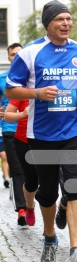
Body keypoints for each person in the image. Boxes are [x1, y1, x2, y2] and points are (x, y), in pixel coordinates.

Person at [5, 0, 77, 262]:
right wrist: (37, 94)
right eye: (60, 19)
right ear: (48, 23)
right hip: (41, 133)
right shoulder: (31, 53)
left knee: (76, 188)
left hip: (75, 131)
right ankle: (49, 239)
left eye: (69, 19)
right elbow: (11, 91)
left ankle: (75, 250)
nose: (66, 23)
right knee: (47, 193)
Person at [0, 43, 28, 224]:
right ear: (9, 58)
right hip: (10, 128)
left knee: (32, 170)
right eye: (12, 54)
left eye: (19, 53)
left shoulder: (32, 76)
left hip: (34, 130)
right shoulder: (2, 78)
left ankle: (32, 202)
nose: (16, 56)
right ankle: (22, 210)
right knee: (17, 169)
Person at [4, 99, 39, 226]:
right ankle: (22, 208)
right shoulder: (9, 82)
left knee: (44, 178)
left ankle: (48, 222)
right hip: (13, 132)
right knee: (19, 171)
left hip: (43, 136)